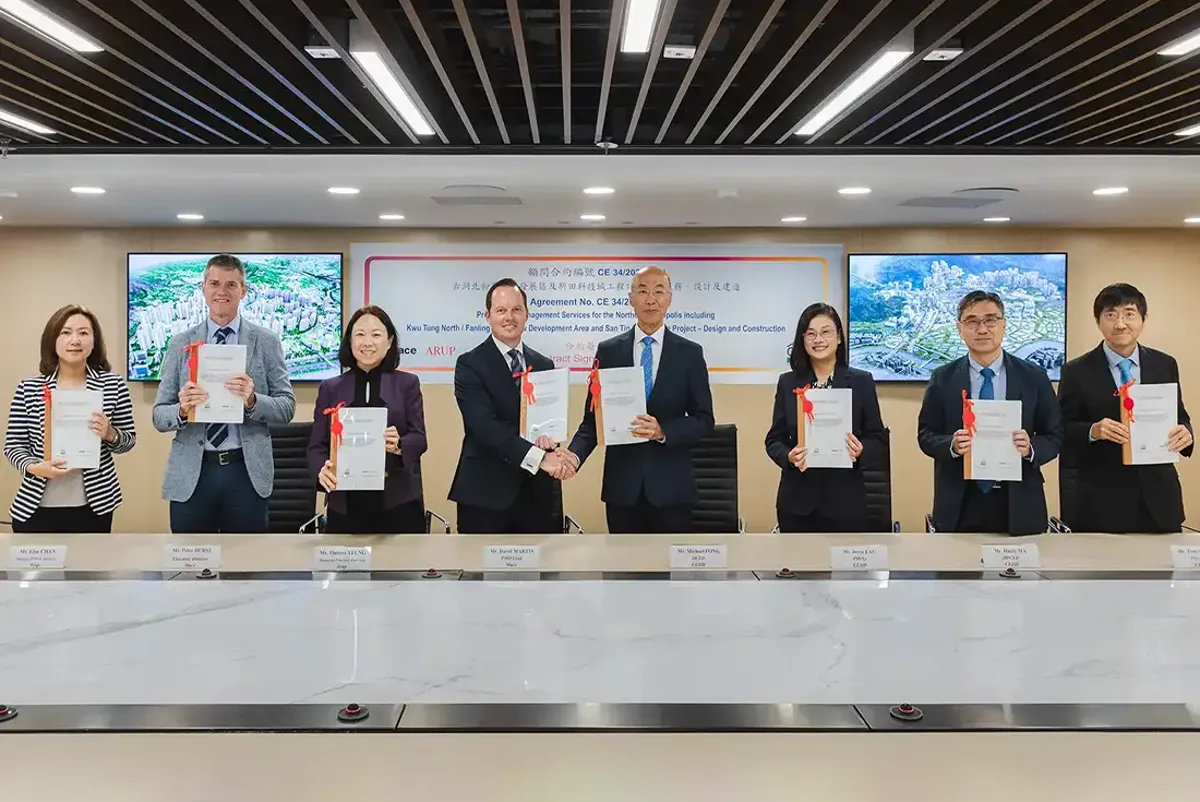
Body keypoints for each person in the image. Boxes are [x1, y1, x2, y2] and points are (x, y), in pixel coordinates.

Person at [562, 266, 715, 534]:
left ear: (669, 298)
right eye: (642, 291)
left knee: (670, 571)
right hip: (623, 488)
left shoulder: (689, 353)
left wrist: (663, 431)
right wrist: (573, 456)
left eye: (658, 291)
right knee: (624, 570)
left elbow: (704, 420)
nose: (650, 299)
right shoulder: (609, 351)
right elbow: (592, 420)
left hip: (672, 489)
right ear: (630, 299)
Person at [151, 253, 295, 533]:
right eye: (215, 283)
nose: (222, 291)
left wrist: (253, 400)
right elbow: (158, 416)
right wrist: (181, 409)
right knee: (189, 562)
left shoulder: (267, 342)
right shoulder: (180, 343)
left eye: (231, 285)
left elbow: (286, 407)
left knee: (245, 565)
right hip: (193, 471)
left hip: (245, 470)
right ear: (203, 288)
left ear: (244, 291)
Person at [917, 290, 1062, 535]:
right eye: (972, 321)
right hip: (960, 501)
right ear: (959, 328)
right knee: (959, 571)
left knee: (1022, 571)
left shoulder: (1033, 376)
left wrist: (1030, 448)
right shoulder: (943, 378)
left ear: (1003, 325)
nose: (982, 329)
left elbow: (1055, 435)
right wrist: (951, 444)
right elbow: (926, 435)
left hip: (1018, 499)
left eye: (991, 320)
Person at [1057, 283, 1193, 533]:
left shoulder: (1164, 364)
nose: (1120, 323)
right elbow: (1061, 429)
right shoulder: (1076, 371)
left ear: (1143, 318)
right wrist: (1093, 430)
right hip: (1101, 500)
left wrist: (1186, 433)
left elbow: (1180, 416)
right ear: (1098, 321)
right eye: (1110, 315)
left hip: (1159, 498)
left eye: (1129, 313)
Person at [448, 278, 567, 534]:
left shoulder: (544, 364)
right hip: (486, 494)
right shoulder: (469, 364)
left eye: (516, 310)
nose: (509, 317)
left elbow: (548, 422)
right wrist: (538, 457)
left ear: (527, 315)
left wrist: (551, 443)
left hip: (538, 494)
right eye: (501, 310)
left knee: (542, 570)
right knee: (481, 571)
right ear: (488, 316)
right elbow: (484, 427)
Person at [4, 305, 136, 533]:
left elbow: (128, 441)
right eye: (65, 332)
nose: (75, 340)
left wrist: (110, 433)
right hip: (36, 506)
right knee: (36, 568)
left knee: (87, 568)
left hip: (94, 505)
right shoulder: (29, 388)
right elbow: (13, 446)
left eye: (84, 333)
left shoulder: (113, 385)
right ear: (52, 340)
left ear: (94, 341)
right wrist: (34, 467)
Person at [765, 303, 885, 532]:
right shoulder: (788, 383)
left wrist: (861, 450)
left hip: (846, 502)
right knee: (799, 566)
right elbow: (774, 440)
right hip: (797, 503)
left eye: (826, 332)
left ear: (839, 337)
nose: (818, 339)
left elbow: (877, 439)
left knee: (843, 568)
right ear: (803, 340)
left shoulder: (861, 382)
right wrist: (789, 456)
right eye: (811, 333)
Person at [308, 305, 428, 534]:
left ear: (390, 341)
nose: (367, 342)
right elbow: (316, 446)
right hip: (345, 502)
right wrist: (320, 471)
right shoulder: (330, 388)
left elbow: (419, 439)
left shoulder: (407, 384)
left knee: (399, 569)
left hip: (398, 501)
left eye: (376, 334)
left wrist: (399, 445)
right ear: (350, 341)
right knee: (346, 567)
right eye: (360, 334)